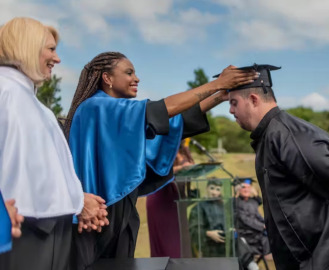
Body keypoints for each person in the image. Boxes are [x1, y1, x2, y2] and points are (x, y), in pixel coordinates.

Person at [64, 52, 257, 269]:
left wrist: (218, 96)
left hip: (119, 211)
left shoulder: (118, 113)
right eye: (128, 72)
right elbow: (160, 110)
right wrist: (216, 84)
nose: (136, 78)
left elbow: (170, 121)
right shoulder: (95, 106)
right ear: (107, 78)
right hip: (95, 214)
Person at [225, 64, 329, 270]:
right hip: (319, 252)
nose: (230, 110)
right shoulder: (269, 135)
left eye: (233, 103)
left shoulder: (286, 133)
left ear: (254, 100)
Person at [0, 17, 107, 270]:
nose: (57, 59)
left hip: (46, 233)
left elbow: (37, 169)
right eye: (50, 49)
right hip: (20, 235)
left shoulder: (29, 100)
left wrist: (77, 200)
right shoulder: (5, 93)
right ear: (27, 47)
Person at [146, 139, 195, 258]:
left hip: (178, 198)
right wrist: (181, 168)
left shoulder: (184, 150)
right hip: (161, 198)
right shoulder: (159, 148)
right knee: (168, 243)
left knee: (182, 241)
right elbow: (156, 172)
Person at [234, 177, 271, 258]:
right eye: (243, 187)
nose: (246, 189)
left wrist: (267, 224)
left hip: (257, 231)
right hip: (247, 234)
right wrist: (262, 226)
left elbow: (258, 216)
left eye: (249, 187)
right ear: (237, 189)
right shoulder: (236, 203)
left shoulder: (252, 201)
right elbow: (246, 220)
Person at [189, 179, 226, 257]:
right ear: (207, 188)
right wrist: (208, 233)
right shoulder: (198, 207)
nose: (214, 192)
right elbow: (192, 230)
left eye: (217, 189)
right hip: (207, 246)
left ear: (220, 192)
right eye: (212, 188)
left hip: (224, 244)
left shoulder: (223, 207)